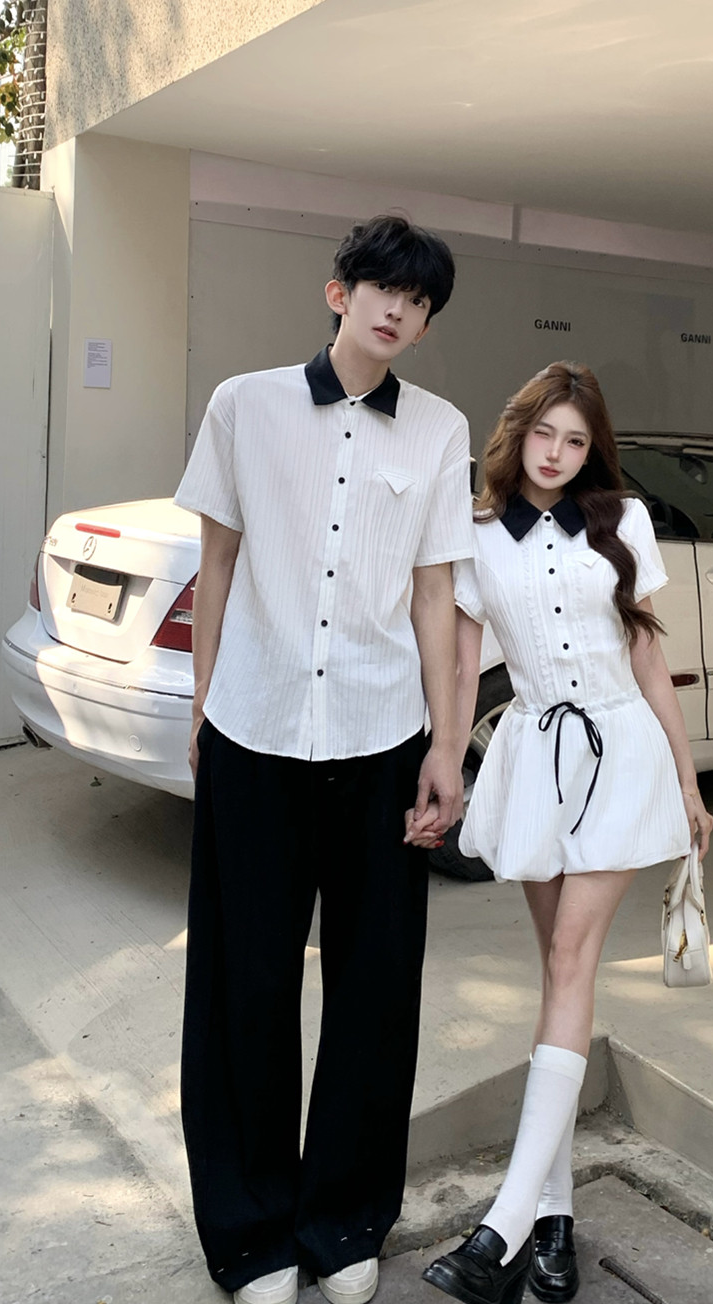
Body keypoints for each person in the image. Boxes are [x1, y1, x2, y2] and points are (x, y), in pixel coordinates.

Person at [174, 214, 474, 1304]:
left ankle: (345, 1223)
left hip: (381, 736)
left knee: (375, 989)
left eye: (420, 301)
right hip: (255, 732)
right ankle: (252, 1233)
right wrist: (204, 706)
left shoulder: (440, 429)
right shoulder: (243, 405)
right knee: (243, 986)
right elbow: (217, 563)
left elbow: (435, 594)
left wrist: (448, 745)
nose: (399, 310)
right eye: (383, 288)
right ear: (339, 291)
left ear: (425, 323)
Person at [420, 362, 713, 1304]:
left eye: (575, 440)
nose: (556, 453)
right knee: (557, 978)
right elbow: (463, 666)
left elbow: (649, 653)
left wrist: (687, 779)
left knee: (573, 958)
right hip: (533, 756)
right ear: (519, 434)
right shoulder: (476, 532)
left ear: (594, 450)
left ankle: (501, 1228)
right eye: (544, 434)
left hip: (620, 753)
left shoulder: (623, 520)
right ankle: (553, 1219)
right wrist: (444, 762)